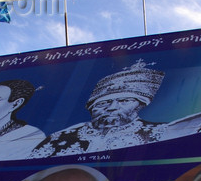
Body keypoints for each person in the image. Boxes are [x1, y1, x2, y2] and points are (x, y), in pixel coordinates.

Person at [30, 60, 165, 157]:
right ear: (91, 108)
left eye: (124, 101)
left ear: (140, 105)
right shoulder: (59, 137)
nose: (112, 108)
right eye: (102, 103)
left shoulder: (162, 132)